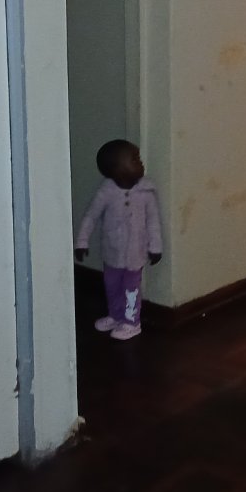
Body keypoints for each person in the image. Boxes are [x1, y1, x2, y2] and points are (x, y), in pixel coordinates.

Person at [75, 139, 163, 341]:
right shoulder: (106, 191)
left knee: (131, 289)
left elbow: (153, 221)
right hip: (112, 252)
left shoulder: (146, 192)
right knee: (112, 286)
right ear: (116, 170)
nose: (140, 163)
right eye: (134, 159)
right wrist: (82, 242)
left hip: (135, 254)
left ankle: (132, 322)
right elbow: (91, 216)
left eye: (138, 158)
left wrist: (155, 247)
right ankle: (116, 316)